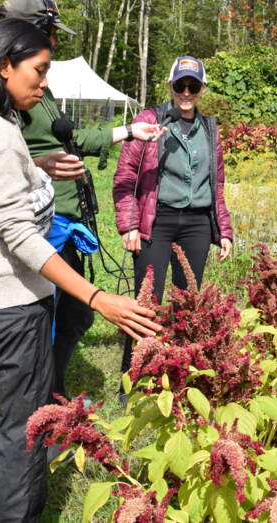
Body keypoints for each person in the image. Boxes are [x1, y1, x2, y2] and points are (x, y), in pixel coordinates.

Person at [0, 18, 162, 523]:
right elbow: (19, 235)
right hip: (10, 304)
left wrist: (37, 168)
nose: (44, 81)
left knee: (7, 421)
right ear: (3, 65)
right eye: (38, 70)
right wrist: (99, 298)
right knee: (27, 435)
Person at [0, 0, 162, 399]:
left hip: (65, 217)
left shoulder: (39, 87)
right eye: (51, 32)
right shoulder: (5, 95)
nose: (55, 42)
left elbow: (67, 140)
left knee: (72, 317)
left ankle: (51, 393)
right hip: (39, 223)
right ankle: (43, 401)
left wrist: (126, 132)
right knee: (55, 317)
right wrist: (39, 166)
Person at [113, 56, 234, 374]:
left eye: (192, 86)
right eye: (180, 85)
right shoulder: (150, 119)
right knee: (146, 299)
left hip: (195, 224)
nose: (185, 92)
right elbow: (126, 174)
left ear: (202, 89)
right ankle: (134, 372)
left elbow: (216, 183)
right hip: (157, 221)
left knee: (188, 301)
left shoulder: (209, 128)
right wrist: (128, 225)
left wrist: (223, 230)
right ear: (171, 86)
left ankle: (180, 370)